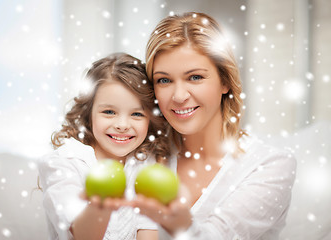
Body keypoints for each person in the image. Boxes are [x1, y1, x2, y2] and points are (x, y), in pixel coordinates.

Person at [123, 12, 297, 239]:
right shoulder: (142, 157)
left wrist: (178, 224)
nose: (178, 96)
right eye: (164, 80)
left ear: (225, 81)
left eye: (195, 77)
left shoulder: (270, 167)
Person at [37, 52, 169, 240]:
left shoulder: (146, 162)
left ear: (151, 119)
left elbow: (148, 232)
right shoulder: (64, 162)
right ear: (88, 113)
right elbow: (82, 235)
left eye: (137, 114)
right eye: (109, 111)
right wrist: (103, 203)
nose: (122, 125)